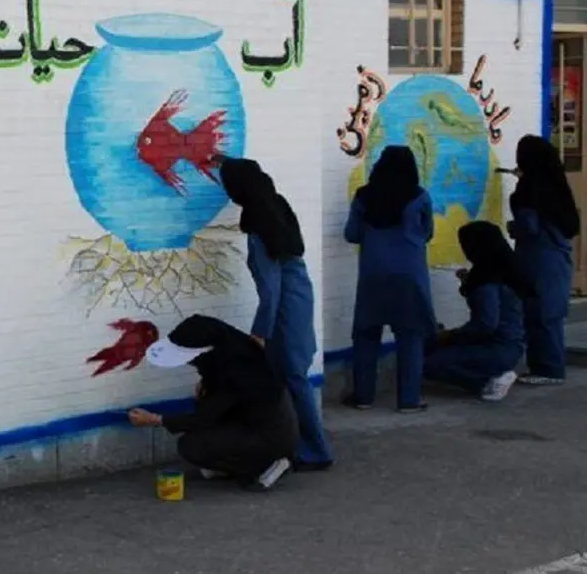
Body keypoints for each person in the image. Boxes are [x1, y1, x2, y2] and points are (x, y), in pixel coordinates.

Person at [217, 156, 334, 471]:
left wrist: (259, 334)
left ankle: (317, 450)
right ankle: (296, 443)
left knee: (293, 376)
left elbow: (270, 290)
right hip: (299, 297)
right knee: (291, 375)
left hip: (284, 309)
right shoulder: (276, 206)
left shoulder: (257, 225)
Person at [128, 314, 297, 491]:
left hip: (270, 435)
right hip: (259, 421)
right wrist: (206, 383)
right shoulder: (237, 350)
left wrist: (155, 419)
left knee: (190, 445)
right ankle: (236, 464)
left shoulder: (238, 374)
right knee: (204, 418)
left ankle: (266, 465)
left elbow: (202, 419)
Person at [343, 146, 436, 412]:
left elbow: (351, 234)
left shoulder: (364, 197)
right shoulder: (419, 197)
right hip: (409, 275)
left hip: (372, 274)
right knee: (410, 336)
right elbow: (427, 232)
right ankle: (409, 399)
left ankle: (363, 396)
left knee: (366, 335)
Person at [424, 222, 529, 402]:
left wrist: (450, 336)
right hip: (512, 346)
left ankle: (487, 382)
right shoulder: (504, 270)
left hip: (496, 348)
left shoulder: (486, 281)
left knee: (428, 364)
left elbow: (486, 324)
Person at [507, 135, 579, 385]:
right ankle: (551, 366)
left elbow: (528, 225)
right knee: (551, 314)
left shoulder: (529, 189)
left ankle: (547, 369)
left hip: (539, 258)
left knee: (540, 313)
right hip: (558, 257)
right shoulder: (556, 186)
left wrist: (511, 227)